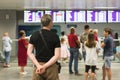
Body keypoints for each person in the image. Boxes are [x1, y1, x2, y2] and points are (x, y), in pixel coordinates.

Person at [27, 14, 60, 80]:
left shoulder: (34, 35)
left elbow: (29, 52)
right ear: (50, 23)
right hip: (51, 67)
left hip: (38, 67)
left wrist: (38, 65)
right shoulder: (55, 36)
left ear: (42, 23)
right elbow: (57, 56)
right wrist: (45, 66)